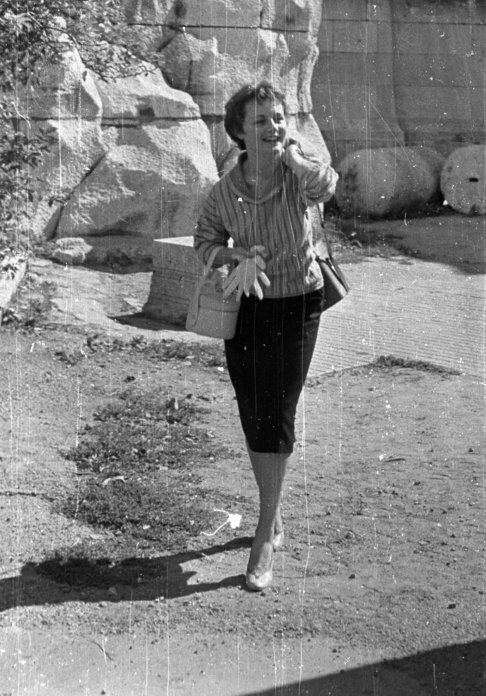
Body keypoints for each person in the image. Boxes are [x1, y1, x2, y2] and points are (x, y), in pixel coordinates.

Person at [194, 83, 338, 591]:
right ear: (239, 132)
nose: (274, 127)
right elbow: (204, 241)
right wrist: (230, 258)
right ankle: (272, 514)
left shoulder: (296, 178)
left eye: (278, 118)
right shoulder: (224, 192)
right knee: (252, 406)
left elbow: (327, 187)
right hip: (249, 307)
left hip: (299, 304)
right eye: (261, 122)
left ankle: (262, 531)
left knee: (278, 407)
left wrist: (296, 160)